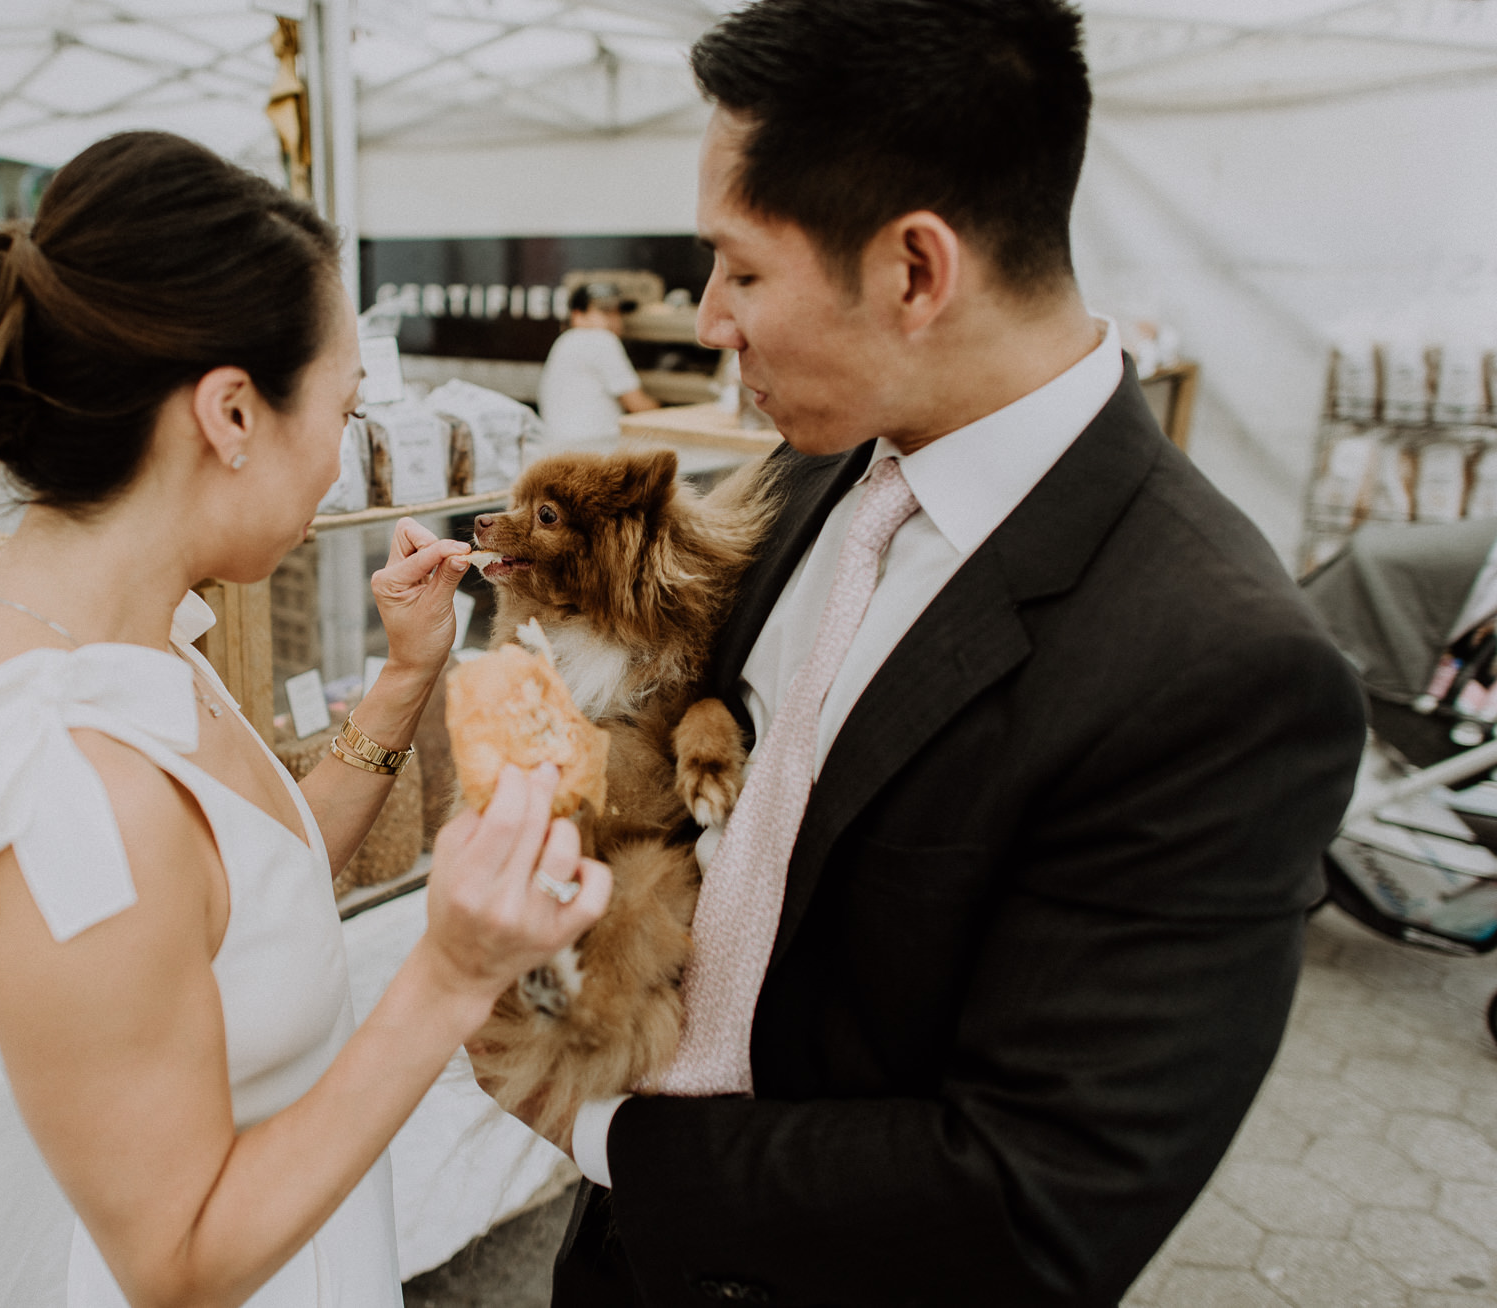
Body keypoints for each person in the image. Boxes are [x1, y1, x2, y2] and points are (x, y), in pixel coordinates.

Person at [519, 3, 1369, 1305]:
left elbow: (1035, 1199)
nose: (707, 321)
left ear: (916, 271)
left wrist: (595, 1130)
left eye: (741, 270)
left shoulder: (1224, 670)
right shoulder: (814, 474)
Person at [0, 131, 612, 1308]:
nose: (340, 469)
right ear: (232, 414)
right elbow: (177, 1263)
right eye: (339, 415)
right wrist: (448, 976)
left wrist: (403, 685)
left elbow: (249, 894)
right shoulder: (59, 784)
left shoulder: (117, 634)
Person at [535, 282, 660, 448]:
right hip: (593, 452)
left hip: (562, 451)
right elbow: (638, 406)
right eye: (605, 312)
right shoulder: (600, 339)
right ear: (578, 316)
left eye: (618, 312)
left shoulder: (564, 341)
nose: (615, 320)